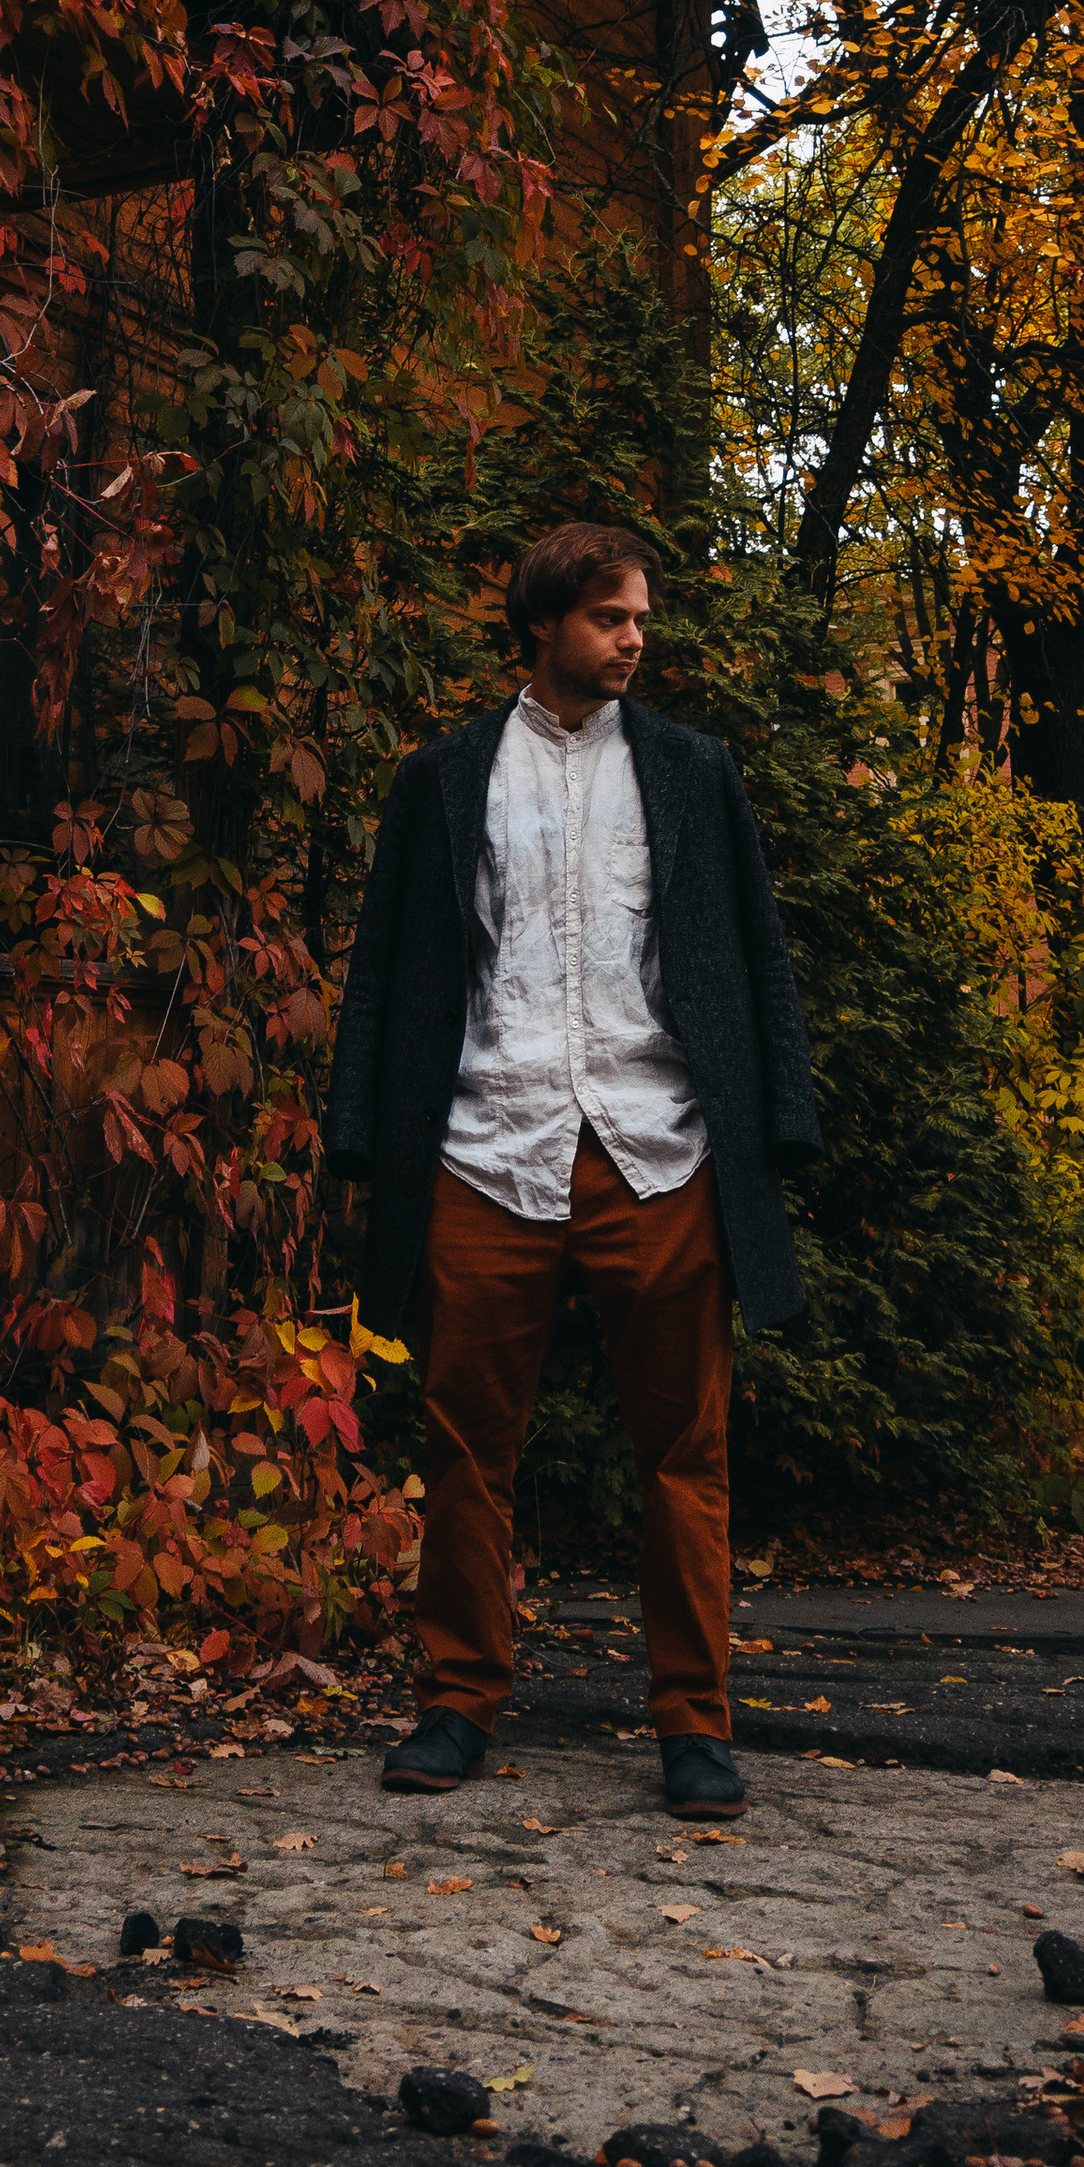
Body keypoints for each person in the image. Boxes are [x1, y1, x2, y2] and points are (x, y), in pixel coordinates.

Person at [324, 520, 821, 1812]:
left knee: (686, 1451)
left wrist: (780, 1126)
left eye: (642, 616)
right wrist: (366, 1139)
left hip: (658, 1152)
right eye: (611, 618)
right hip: (489, 1148)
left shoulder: (693, 771)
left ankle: (693, 1726)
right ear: (543, 624)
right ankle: (457, 1705)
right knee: (465, 1448)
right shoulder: (442, 779)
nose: (636, 637)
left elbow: (756, 957)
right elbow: (386, 970)